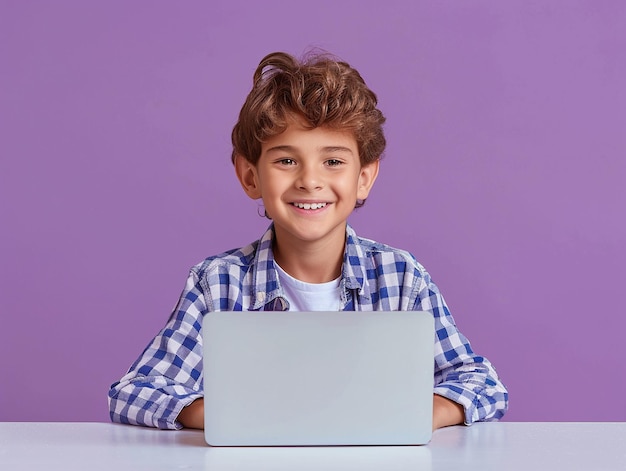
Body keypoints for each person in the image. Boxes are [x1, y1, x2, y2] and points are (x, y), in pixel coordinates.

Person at [108, 51, 508, 431]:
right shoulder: (218, 284)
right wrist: (236, 418)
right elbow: (135, 392)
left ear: (364, 178)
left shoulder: (401, 277)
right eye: (286, 160)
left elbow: (481, 383)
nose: (309, 180)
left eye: (333, 161)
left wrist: (415, 413)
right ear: (250, 177)